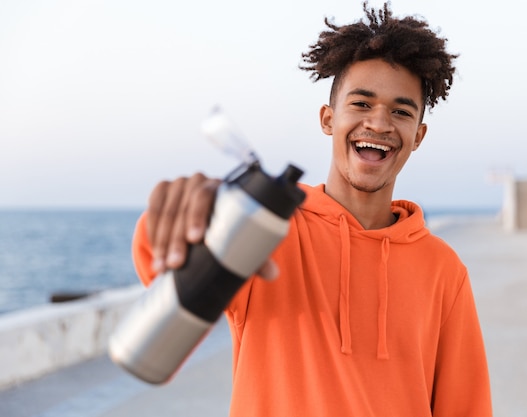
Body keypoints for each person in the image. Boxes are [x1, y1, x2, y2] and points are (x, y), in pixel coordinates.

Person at [131, 2, 492, 416]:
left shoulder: (444, 270)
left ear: (418, 135)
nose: (378, 123)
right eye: (361, 103)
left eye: (401, 111)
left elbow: (465, 407)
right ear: (327, 118)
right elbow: (167, 263)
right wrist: (178, 219)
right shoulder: (266, 232)